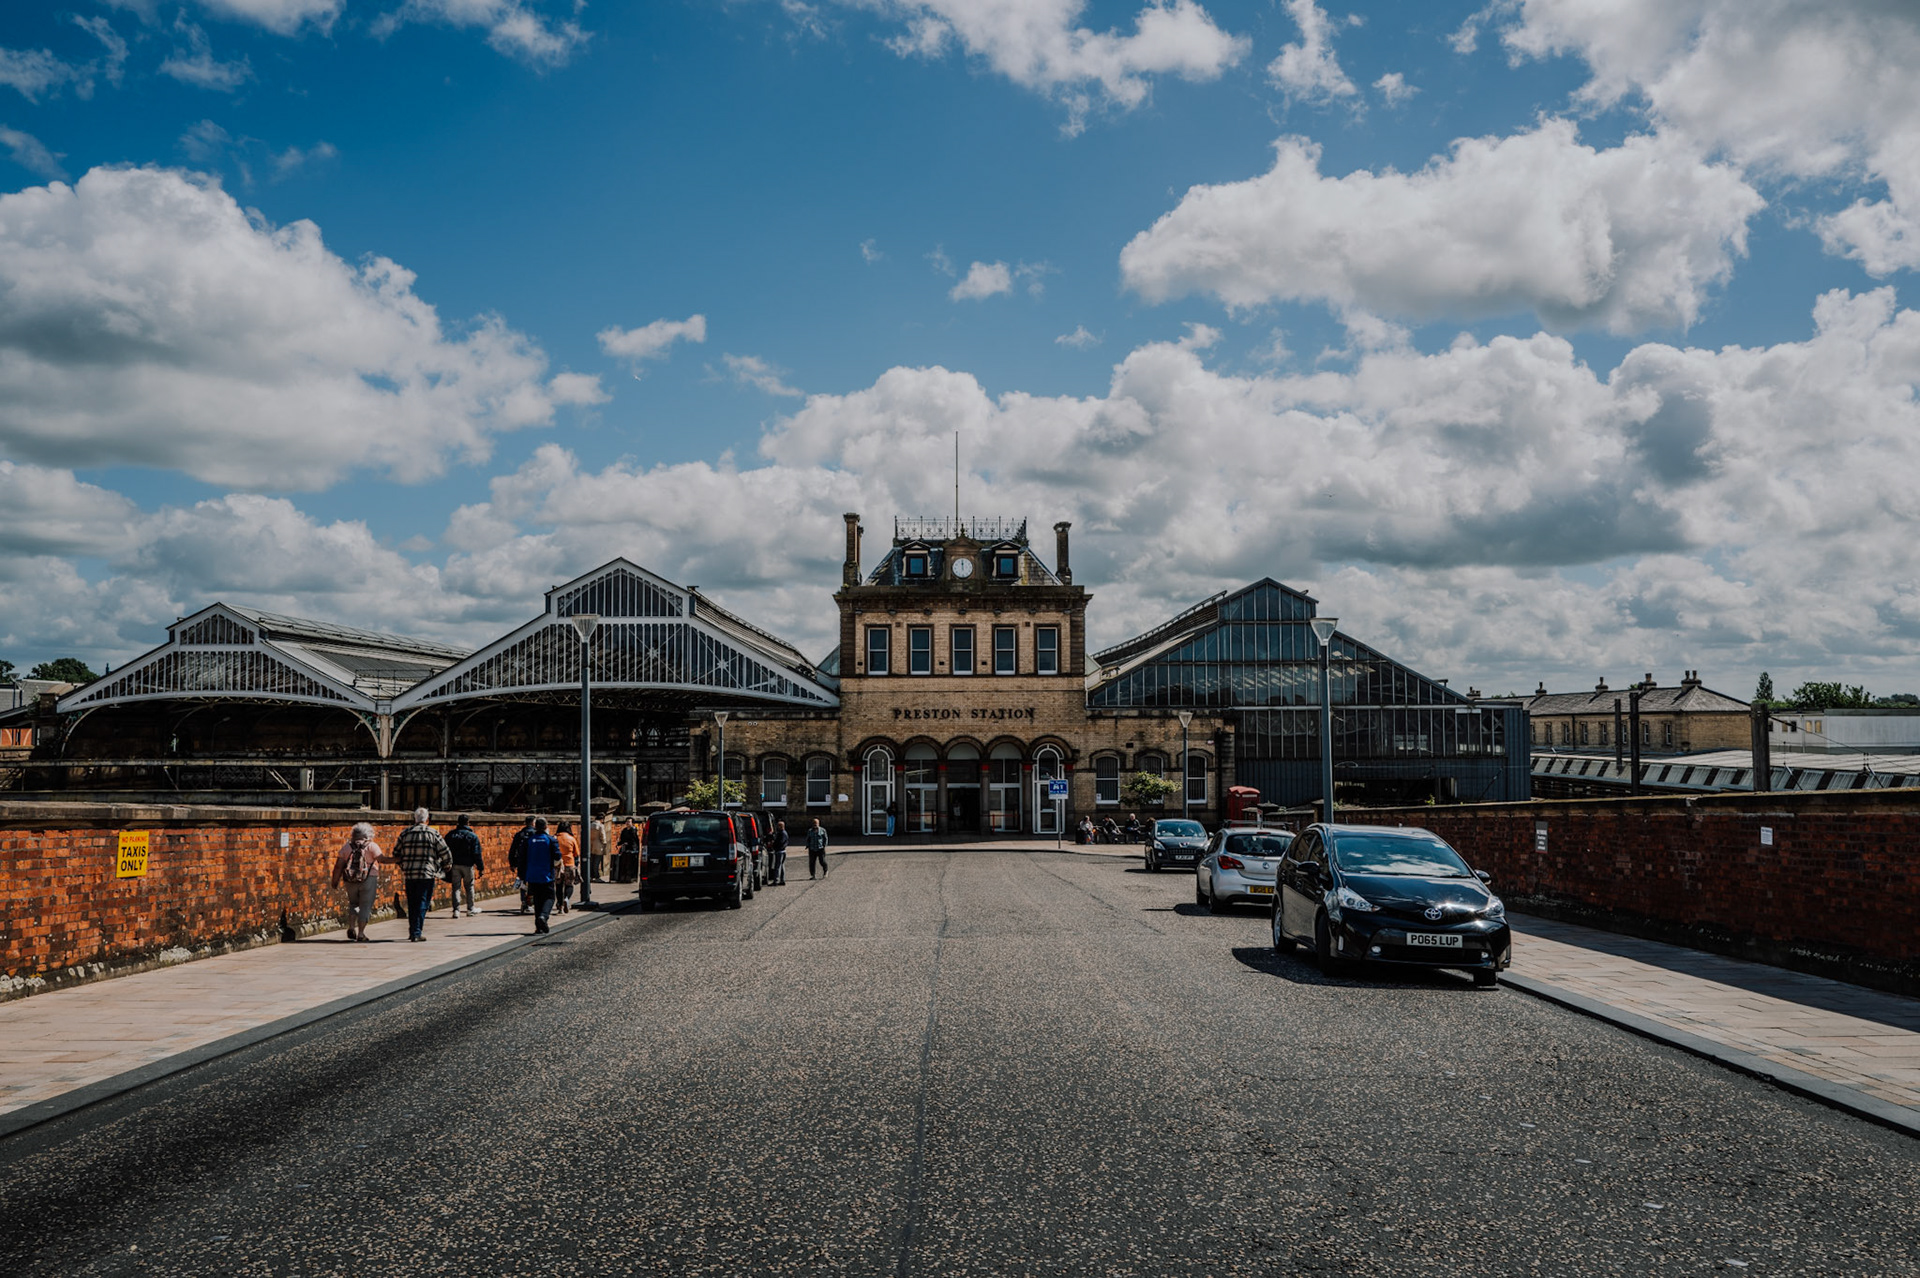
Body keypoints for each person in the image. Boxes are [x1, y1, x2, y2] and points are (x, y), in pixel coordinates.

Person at [391, 808, 452, 942]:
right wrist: (447, 865)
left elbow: (396, 854)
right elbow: (445, 852)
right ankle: (417, 931)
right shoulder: (433, 833)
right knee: (423, 902)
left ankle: (413, 930)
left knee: (412, 903)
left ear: (415, 819)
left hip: (410, 874)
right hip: (427, 873)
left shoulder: (405, 833)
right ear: (427, 820)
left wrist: (404, 866)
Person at [330, 822, 383, 941]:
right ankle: (361, 934)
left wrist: (335, 880)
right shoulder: (372, 846)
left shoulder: (347, 847)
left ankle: (351, 927)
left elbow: (338, 866)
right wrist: (398, 859)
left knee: (353, 903)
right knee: (365, 905)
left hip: (350, 879)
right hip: (368, 879)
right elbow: (381, 859)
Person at [521, 817, 561, 934]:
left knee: (537, 899)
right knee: (549, 897)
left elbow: (522, 858)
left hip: (532, 875)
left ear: (535, 826)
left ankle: (539, 927)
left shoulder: (528, 840)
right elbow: (557, 857)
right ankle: (543, 917)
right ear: (546, 826)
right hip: (546, 874)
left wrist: (522, 875)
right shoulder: (550, 840)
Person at [445, 814, 484, 917]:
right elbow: (477, 853)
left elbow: (445, 850)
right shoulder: (472, 836)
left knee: (456, 887)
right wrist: (480, 868)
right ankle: (470, 908)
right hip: (468, 865)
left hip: (454, 865)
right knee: (469, 886)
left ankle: (456, 910)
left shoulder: (450, 835)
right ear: (468, 822)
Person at [507, 815, 534, 914]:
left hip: (521, 862)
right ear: (533, 822)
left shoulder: (519, 834)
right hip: (532, 862)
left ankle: (523, 901)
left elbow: (513, 850)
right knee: (532, 883)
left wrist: (512, 863)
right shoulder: (535, 834)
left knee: (522, 883)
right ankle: (529, 903)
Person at [555, 821, 580, 914]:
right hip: (569, 864)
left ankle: (560, 905)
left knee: (558, 886)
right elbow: (576, 854)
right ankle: (566, 899)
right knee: (569, 885)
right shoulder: (571, 839)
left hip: (557, 866)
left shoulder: (555, 838)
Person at [617, 818, 640, 882]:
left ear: (632, 823)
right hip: (625, 848)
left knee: (632, 863)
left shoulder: (634, 830)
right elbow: (622, 839)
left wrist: (630, 844)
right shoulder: (624, 830)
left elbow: (635, 840)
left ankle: (632, 877)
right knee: (624, 862)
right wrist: (619, 843)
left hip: (632, 848)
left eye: (629, 822)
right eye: (627, 821)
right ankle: (624, 876)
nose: (627, 823)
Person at [591, 813, 612, 882]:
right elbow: (603, 836)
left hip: (590, 846)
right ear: (602, 819)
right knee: (597, 862)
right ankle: (596, 876)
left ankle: (591, 876)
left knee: (591, 861)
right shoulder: (601, 826)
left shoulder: (590, 825)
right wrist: (604, 844)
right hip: (598, 846)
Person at [769, 819, 790, 886]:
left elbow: (780, 842)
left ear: (781, 826)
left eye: (778, 826)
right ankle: (782, 880)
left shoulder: (782, 833)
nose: (777, 827)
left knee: (777, 866)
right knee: (781, 865)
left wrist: (773, 844)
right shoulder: (783, 833)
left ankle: (776, 881)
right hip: (782, 851)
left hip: (780, 851)